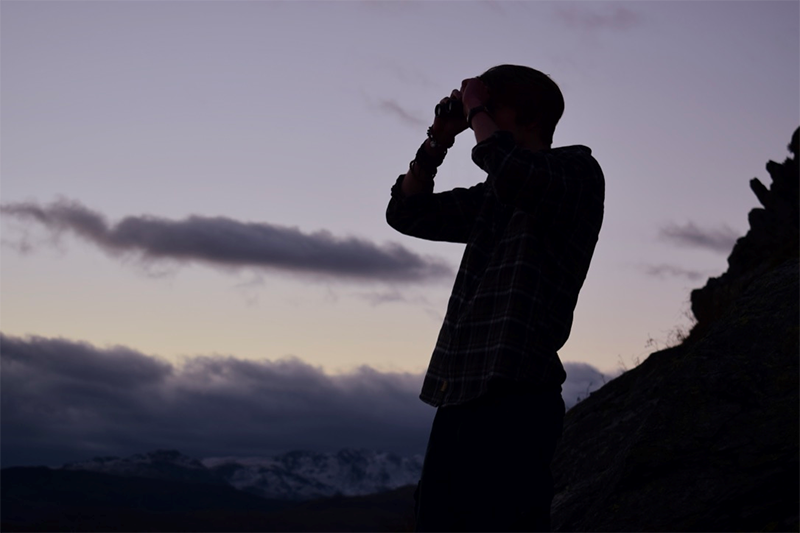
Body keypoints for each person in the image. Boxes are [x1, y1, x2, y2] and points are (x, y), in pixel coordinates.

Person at [385, 65, 605, 532]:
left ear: (527, 116)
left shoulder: (577, 172)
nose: (474, 116)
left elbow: (510, 169)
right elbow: (408, 213)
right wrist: (438, 141)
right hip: (460, 391)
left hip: (518, 393)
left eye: (489, 105)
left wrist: (476, 108)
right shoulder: (496, 194)